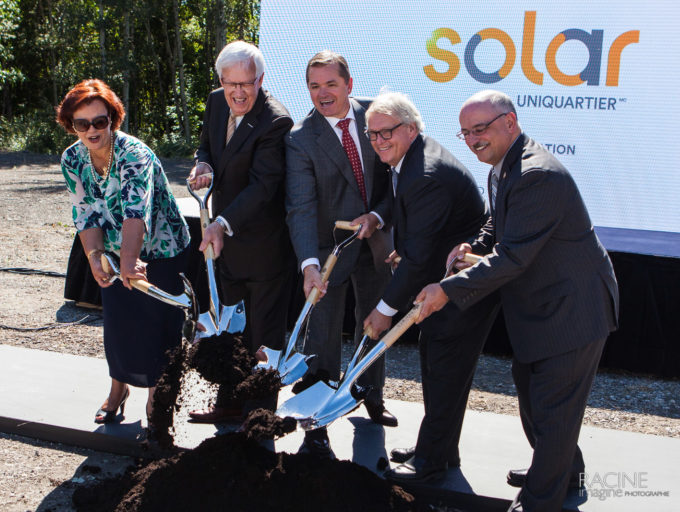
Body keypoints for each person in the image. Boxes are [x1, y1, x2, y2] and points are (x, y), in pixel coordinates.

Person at [413, 90, 619, 512]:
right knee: (533, 393)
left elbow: (514, 257)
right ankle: (563, 468)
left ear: (510, 122)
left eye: (481, 129)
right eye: (466, 132)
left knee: (553, 405)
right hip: (544, 306)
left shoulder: (535, 174)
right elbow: (499, 223)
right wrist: (476, 241)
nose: (473, 140)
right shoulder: (502, 166)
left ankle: (540, 499)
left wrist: (446, 290)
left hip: (573, 309)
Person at [358, 92, 499, 481]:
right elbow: (420, 233)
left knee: (446, 370)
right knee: (437, 365)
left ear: (411, 128)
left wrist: (384, 310)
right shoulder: (409, 157)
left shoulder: (425, 173)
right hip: (442, 278)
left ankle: (431, 462)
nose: (378, 140)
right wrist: (406, 250)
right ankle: (437, 448)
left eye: (386, 132)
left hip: (462, 289)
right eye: (372, 134)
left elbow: (421, 257)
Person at [56, 79, 190, 430]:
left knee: (160, 328)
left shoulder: (135, 155)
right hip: (115, 251)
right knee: (118, 325)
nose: (91, 130)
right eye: (81, 124)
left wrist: (130, 261)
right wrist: (95, 257)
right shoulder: (72, 158)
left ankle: (157, 400)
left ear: (112, 120)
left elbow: (136, 210)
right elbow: (84, 211)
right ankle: (118, 391)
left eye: (99, 121)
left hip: (161, 247)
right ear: (71, 125)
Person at [285, 51, 397, 457]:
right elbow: (300, 206)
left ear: (349, 84)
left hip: (378, 245)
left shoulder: (379, 117)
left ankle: (370, 394)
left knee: (374, 323)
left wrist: (378, 216)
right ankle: (316, 425)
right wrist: (310, 266)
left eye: (330, 84)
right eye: (314, 86)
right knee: (323, 335)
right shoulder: (300, 138)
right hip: (327, 253)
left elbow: (395, 183)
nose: (322, 94)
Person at [187, 41, 296, 422]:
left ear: (261, 80)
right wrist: (202, 166)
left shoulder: (276, 121)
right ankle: (228, 405)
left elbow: (263, 187)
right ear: (221, 80)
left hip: (265, 250)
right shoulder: (218, 102)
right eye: (230, 83)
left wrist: (220, 223)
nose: (237, 92)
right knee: (230, 330)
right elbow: (206, 148)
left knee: (264, 337)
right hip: (226, 247)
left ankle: (258, 418)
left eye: (246, 84)